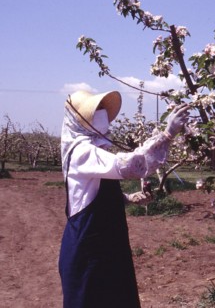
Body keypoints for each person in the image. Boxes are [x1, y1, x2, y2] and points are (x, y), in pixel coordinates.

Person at [59, 90, 189, 308]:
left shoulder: (94, 149)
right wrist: (167, 135)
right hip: (89, 247)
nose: (101, 115)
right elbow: (130, 166)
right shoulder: (82, 151)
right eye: (94, 111)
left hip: (105, 243)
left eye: (101, 109)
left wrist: (126, 198)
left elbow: (89, 194)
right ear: (79, 121)